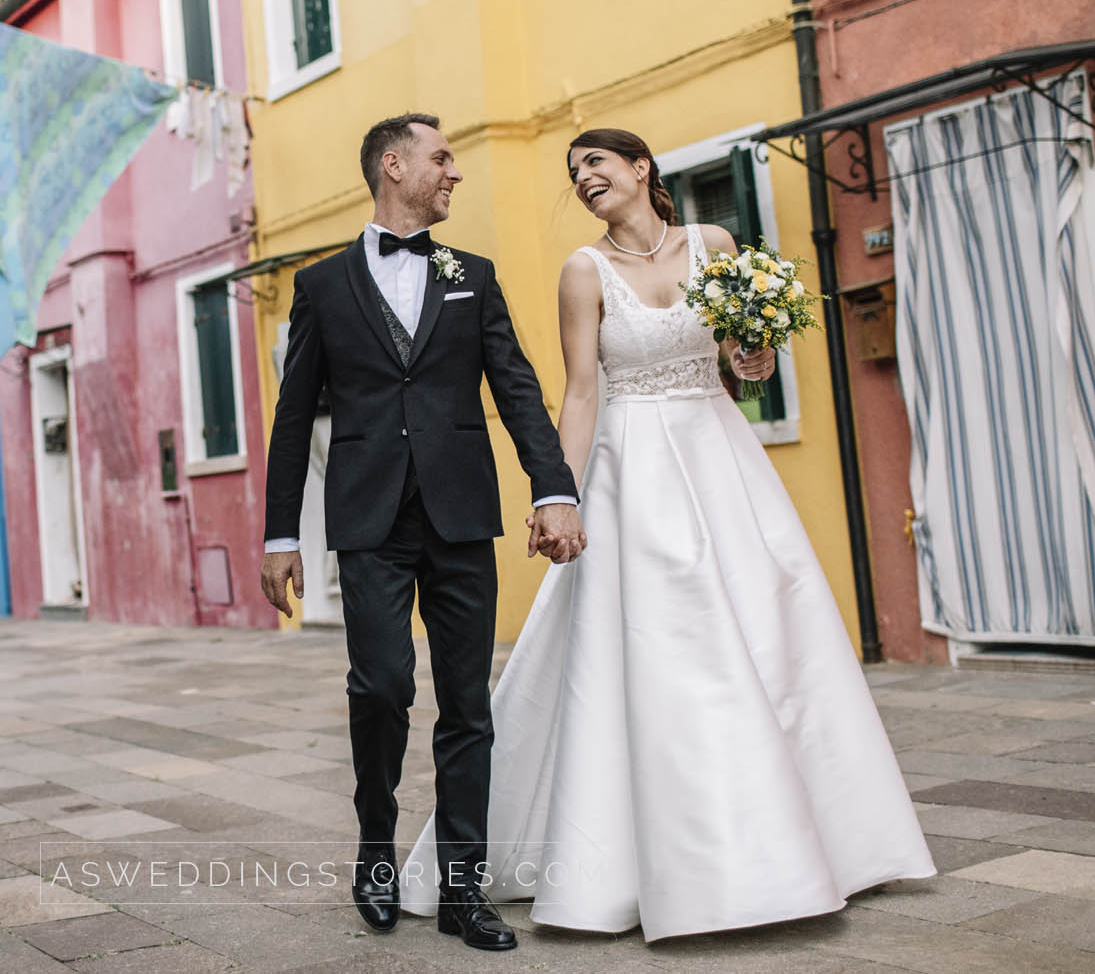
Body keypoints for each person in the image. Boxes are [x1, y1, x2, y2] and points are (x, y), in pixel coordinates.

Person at [399, 126, 934, 941]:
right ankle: (652, 861)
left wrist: (753, 353)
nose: (583, 179)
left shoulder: (714, 242)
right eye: (574, 173)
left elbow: (740, 360)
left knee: (771, 630)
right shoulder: (584, 272)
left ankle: (815, 842)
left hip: (720, 456)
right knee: (661, 643)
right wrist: (559, 494)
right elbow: (580, 392)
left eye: (596, 165)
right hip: (632, 470)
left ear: (641, 168)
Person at [260, 114, 585, 952]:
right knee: (380, 685)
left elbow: (516, 387)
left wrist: (552, 487)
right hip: (368, 520)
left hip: (461, 515)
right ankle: (375, 849)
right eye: (442, 158)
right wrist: (280, 533)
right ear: (393, 166)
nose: (455, 173)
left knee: (467, 703)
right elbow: (294, 417)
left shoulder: (470, 274)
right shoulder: (322, 286)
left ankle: (462, 889)